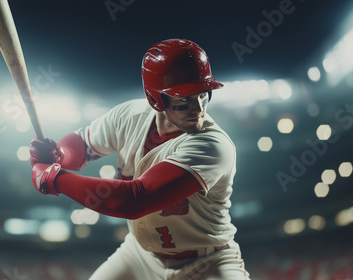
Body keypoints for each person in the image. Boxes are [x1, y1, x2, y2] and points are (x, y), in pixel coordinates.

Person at [29, 39, 251, 280]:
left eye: (203, 96)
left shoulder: (212, 145)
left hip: (207, 263)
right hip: (140, 255)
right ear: (156, 99)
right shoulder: (129, 116)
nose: (198, 108)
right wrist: (58, 156)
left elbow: (134, 199)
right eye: (184, 100)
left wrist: (55, 178)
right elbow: (82, 144)